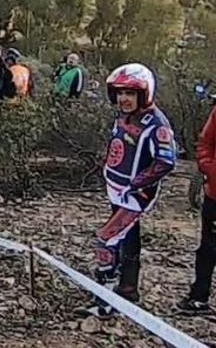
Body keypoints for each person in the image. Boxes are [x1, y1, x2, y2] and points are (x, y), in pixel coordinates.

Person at [76, 63, 176, 318]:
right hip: (117, 189)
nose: (124, 99)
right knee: (127, 241)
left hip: (134, 196)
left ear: (143, 93)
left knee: (106, 240)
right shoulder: (123, 117)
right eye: (120, 93)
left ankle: (106, 301)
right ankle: (128, 291)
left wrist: (137, 183)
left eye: (130, 94)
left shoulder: (156, 123)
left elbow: (166, 160)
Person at [177, 101, 216, 314]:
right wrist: (209, 168)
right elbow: (205, 142)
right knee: (208, 248)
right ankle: (199, 297)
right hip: (214, 195)